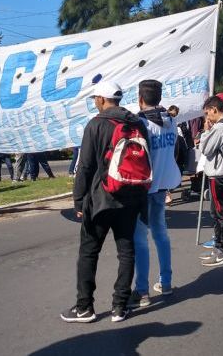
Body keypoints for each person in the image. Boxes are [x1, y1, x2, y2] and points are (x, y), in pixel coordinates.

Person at [61, 81, 149, 324]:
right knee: (126, 251)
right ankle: (119, 307)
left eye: (95, 99)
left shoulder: (96, 124)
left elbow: (85, 167)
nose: (95, 103)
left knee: (89, 251)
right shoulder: (137, 123)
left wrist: (78, 201)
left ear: (101, 99)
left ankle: (84, 308)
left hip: (100, 199)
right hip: (130, 197)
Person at [128, 80, 182, 308]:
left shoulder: (140, 123)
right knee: (161, 234)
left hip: (143, 188)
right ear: (159, 98)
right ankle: (166, 281)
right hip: (162, 185)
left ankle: (142, 291)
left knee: (140, 239)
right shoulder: (170, 121)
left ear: (140, 98)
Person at [198, 95, 223, 266]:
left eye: (208, 113)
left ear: (215, 109)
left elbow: (205, 149)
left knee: (222, 214)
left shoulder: (220, 127)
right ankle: (219, 247)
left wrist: (206, 131)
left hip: (219, 175)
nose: (207, 117)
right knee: (218, 213)